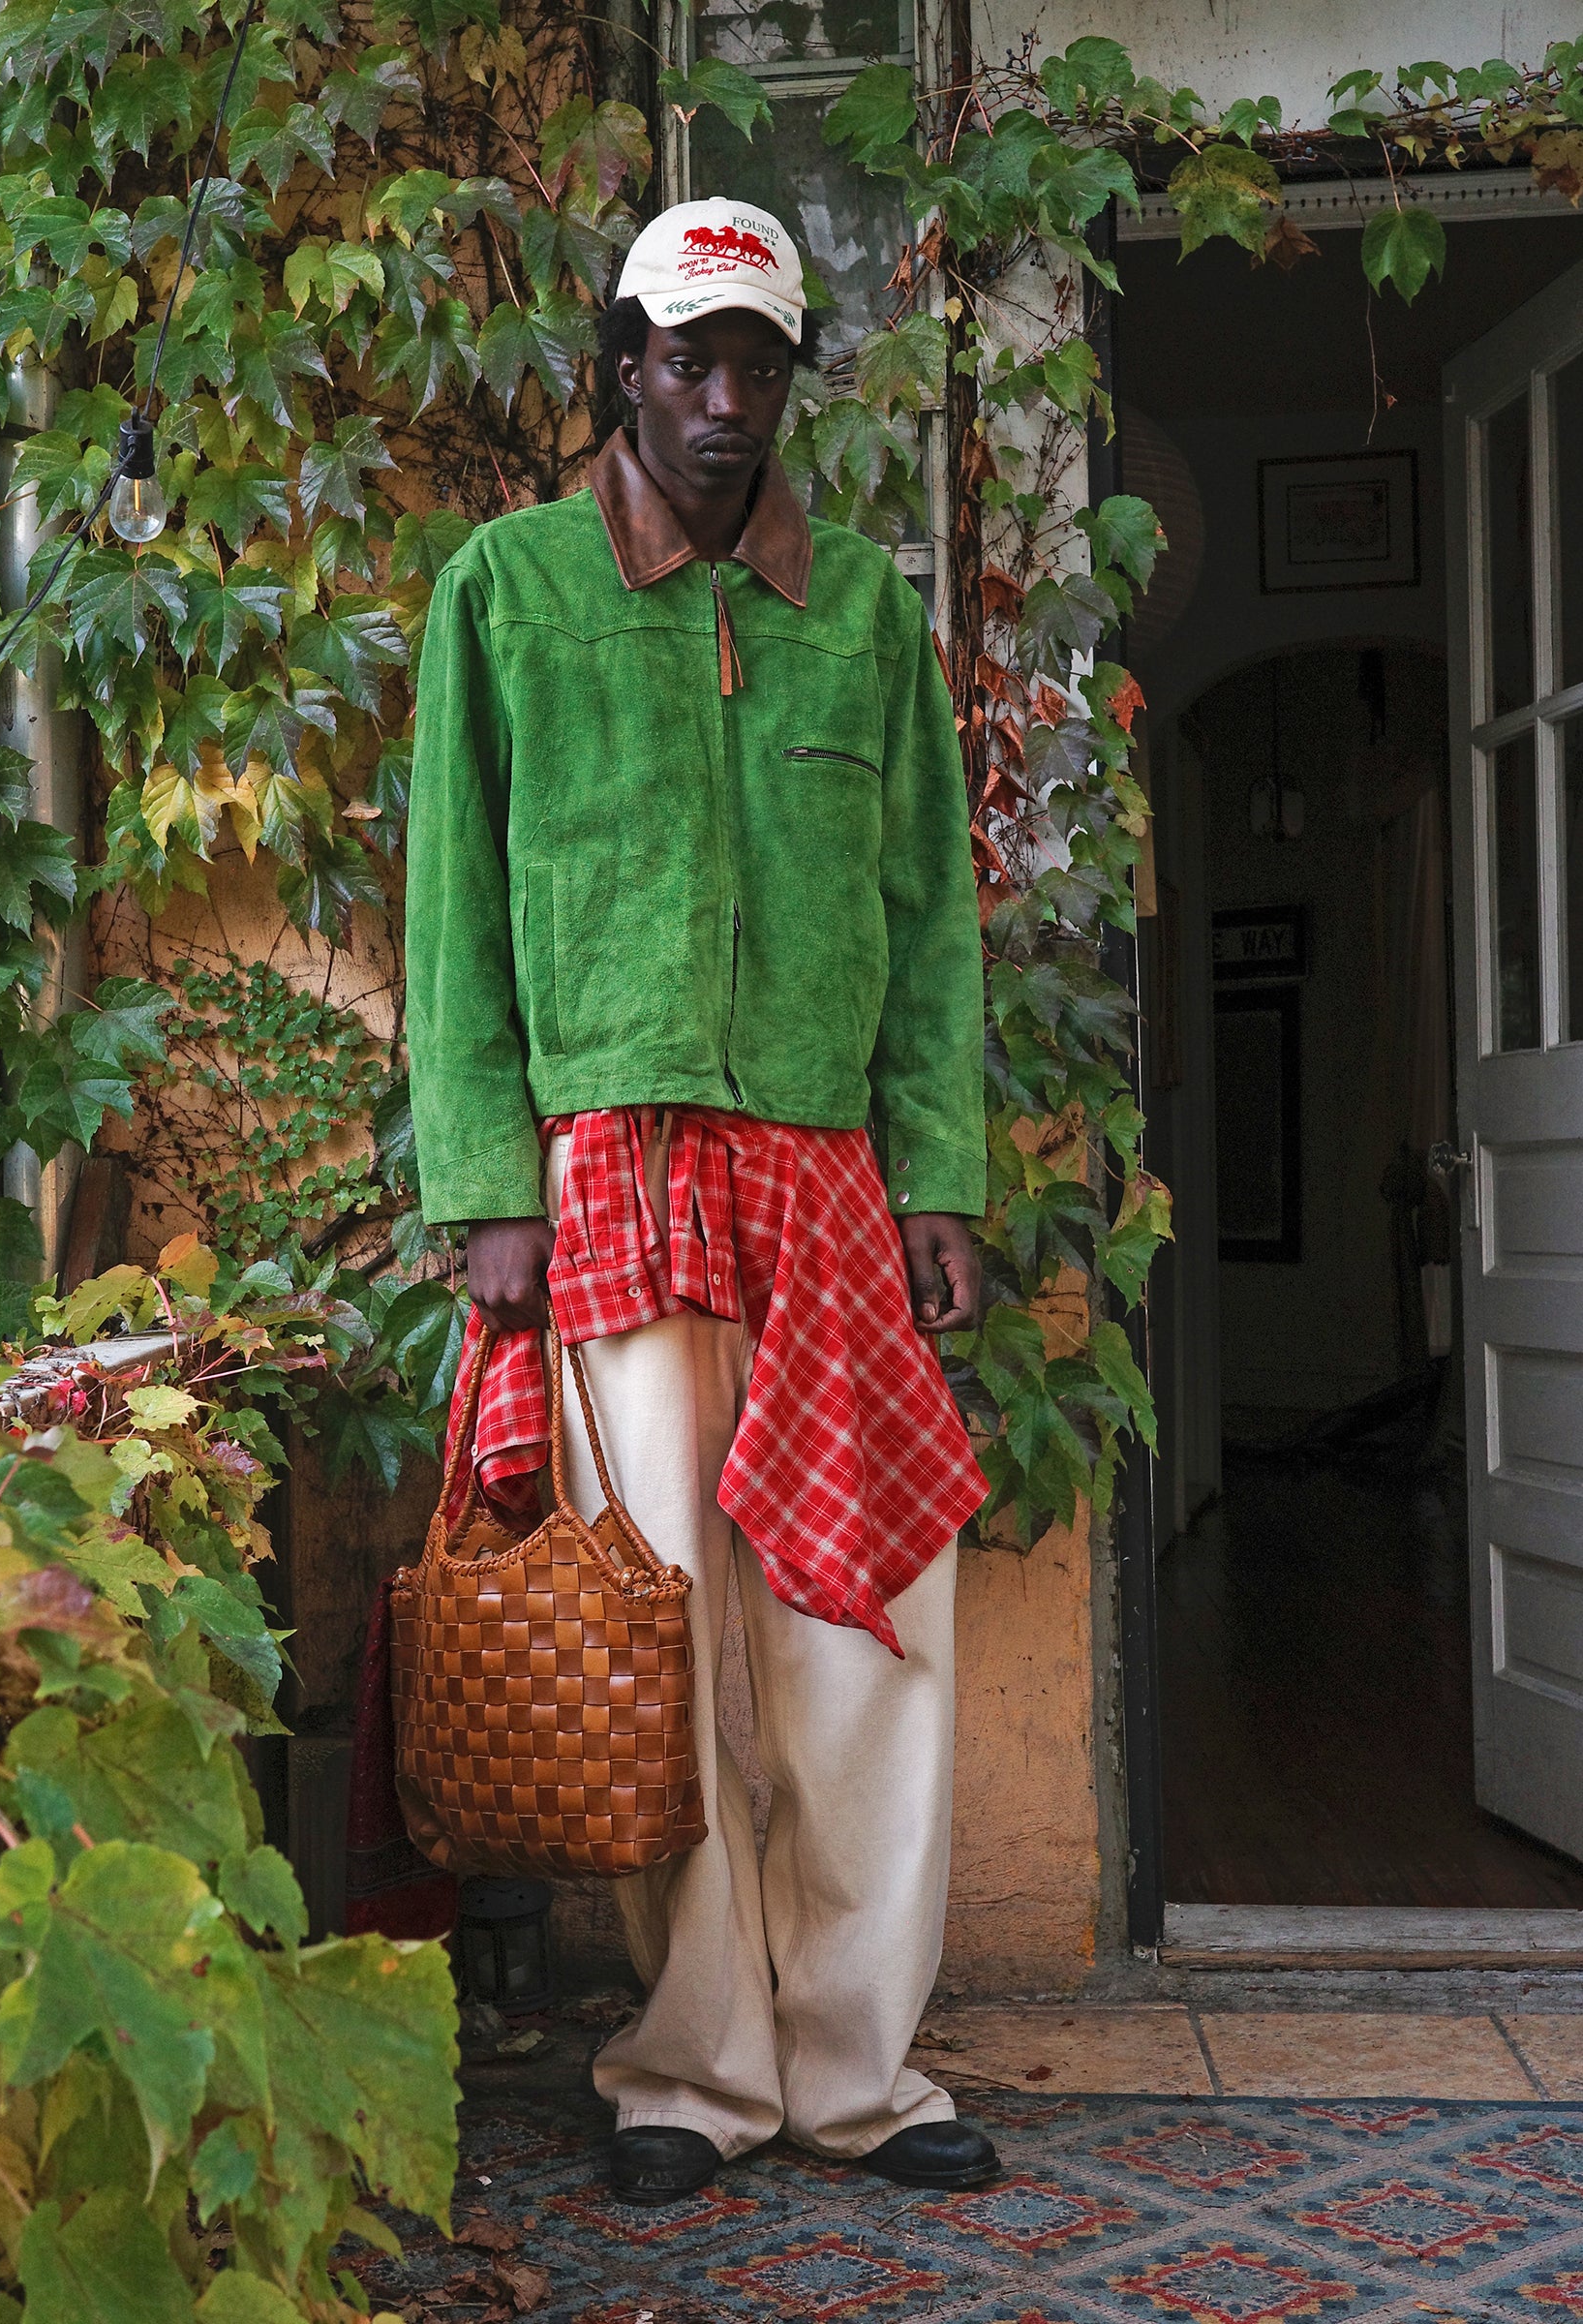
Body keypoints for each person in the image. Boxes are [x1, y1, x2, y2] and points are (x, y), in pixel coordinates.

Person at [407, 196, 996, 2205]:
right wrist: (486, 1184)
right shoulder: (507, 589)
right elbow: (454, 920)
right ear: (621, 364)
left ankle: (859, 2074)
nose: (724, 401)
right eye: (688, 359)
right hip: (614, 1180)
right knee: (666, 1639)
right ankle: (694, 2076)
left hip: (825, 1181)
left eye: (757, 365)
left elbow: (929, 934)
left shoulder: (864, 619)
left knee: (862, 1642)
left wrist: (939, 1175)